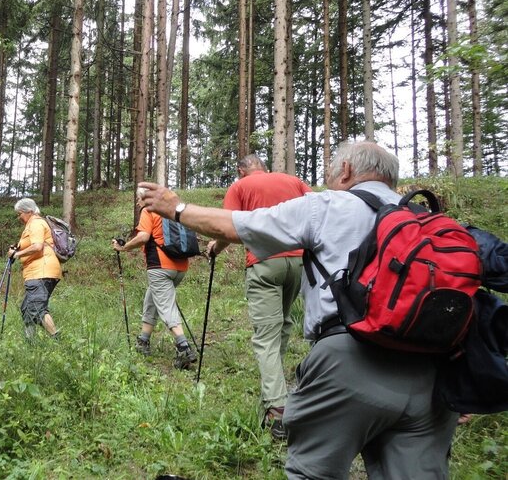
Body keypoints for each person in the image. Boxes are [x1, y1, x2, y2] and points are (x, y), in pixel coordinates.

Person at [138, 141, 459, 479]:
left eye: (334, 171)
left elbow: (238, 225)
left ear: (347, 171)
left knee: (268, 340)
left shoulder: (326, 204)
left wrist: (177, 208)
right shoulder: (427, 218)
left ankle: (277, 406)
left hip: (347, 355)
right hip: (433, 374)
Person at [206, 154, 311, 438]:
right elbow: (316, 213)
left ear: (242, 170)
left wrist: (214, 249)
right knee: (284, 324)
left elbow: (226, 229)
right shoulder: (294, 181)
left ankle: (277, 409)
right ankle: (275, 386)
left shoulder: (240, 187)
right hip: (298, 262)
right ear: (262, 166)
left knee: (265, 335)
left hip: (264, 263)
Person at [112, 207, 197, 369]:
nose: (137, 201)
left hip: (160, 266)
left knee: (166, 306)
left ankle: (184, 348)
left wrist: (124, 248)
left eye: (140, 197)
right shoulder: (172, 211)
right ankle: (143, 341)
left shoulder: (149, 211)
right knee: (151, 300)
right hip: (181, 267)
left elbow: (143, 237)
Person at [8, 198, 62, 341]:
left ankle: (56, 339)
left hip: (41, 271)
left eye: (20, 214)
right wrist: (17, 249)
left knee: (36, 308)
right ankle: (30, 343)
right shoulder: (32, 225)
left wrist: (17, 254)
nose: (19, 217)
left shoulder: (36, 223)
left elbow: (38, 246)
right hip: (37, 271)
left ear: (29, 211)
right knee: (27, 308)